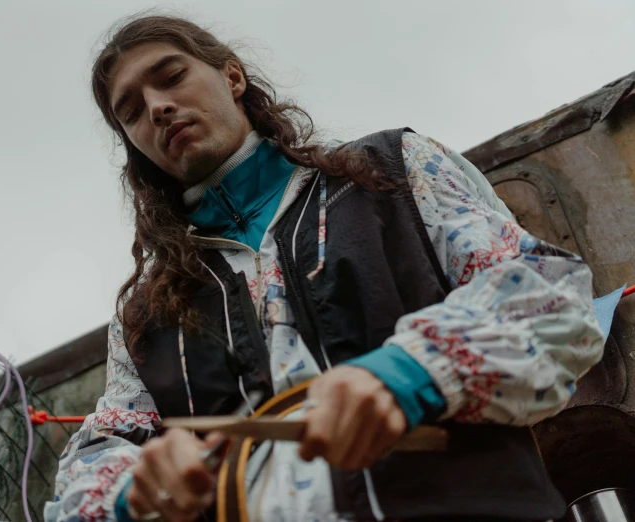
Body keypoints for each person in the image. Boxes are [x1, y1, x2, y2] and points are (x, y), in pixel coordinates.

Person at [44, 14, 604, 522]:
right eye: (132, 112)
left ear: (232, 78)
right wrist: (132, 488)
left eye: (170, 77)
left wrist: (408, 373)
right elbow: (92, 463)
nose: (157, 107)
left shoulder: (393, 173)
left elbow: (549, 301)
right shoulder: (146, 316)